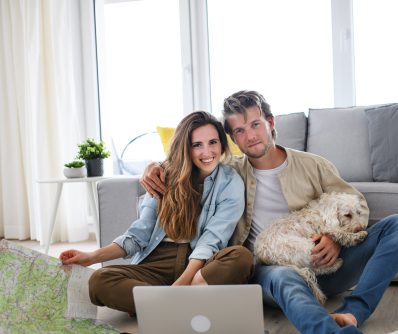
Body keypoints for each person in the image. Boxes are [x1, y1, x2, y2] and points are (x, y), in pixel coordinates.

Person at [140, 91, 398, 334]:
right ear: (233, 138)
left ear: (270, 123)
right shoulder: (228, 172)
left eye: (255, 124)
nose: (250, 136)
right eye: (239, 131)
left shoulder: (314, 165)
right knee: (286, 278)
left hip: (328, 264)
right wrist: (154, 168)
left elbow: (355, 203)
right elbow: (190, 162)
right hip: (270, 274)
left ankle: (353, 312)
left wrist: (336, 238)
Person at [60, 111, 254, 315]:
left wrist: (180, 285)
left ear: (222, 144)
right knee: (99, 280)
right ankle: (186, 303)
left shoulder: (230, 182)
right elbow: (139, 234)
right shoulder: (161, 175)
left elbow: (212, 240)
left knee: (242, 258)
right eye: (197, 145)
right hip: (155, 262)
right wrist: (91, 257)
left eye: (213, 142)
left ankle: (155, 305)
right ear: (185, 147)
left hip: (199, 265)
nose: (207, 152)